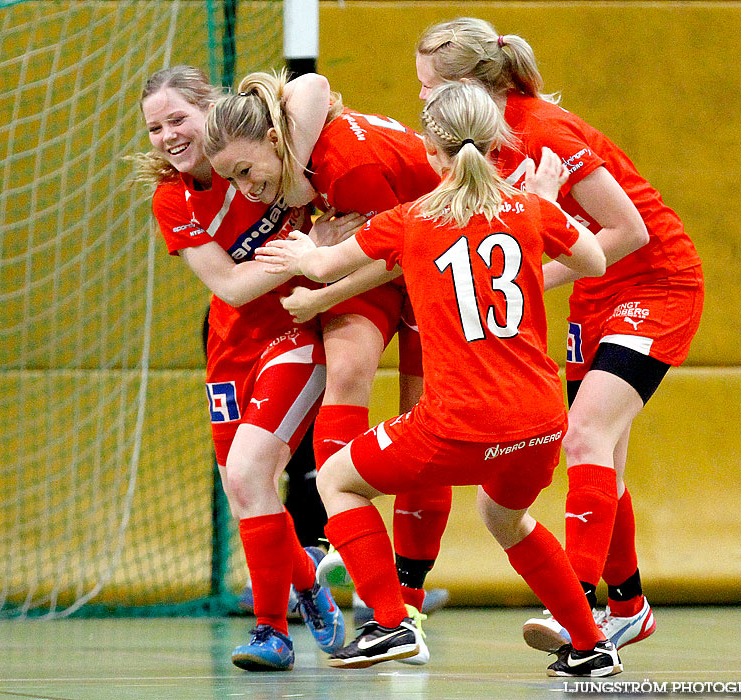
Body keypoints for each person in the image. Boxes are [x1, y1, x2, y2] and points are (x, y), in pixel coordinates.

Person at [255, 81, 622, 677]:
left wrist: (297, 249)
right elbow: (595, 261)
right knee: (505, 518)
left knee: (340, 481)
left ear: (431, 152)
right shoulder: (527, 209)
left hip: (461, 421)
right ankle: (590, 643)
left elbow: (322, 266)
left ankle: (391, 623)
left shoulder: (411, 219)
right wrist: (547, 202)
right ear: (498, 143)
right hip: (539, 420)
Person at [414, 18, 705, 652]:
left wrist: (518, 280)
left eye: (429, 88)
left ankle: (577, 608)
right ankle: (627, 606)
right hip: (593, 290)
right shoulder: (483, 143)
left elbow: (630, 231)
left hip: (655, 285)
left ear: (470, 84)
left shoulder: (541, 131)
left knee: (585, 436)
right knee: (606, 459)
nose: (424, 103)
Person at [201, 71, 452, 646]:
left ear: (273, 139)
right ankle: (348, 532)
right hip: (380, 253)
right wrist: (320, 255)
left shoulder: (344, 164)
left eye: (245, 171)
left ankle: (403, 604)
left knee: (426, 425)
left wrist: (321, 288)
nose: (242, 188)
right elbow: (309, 88)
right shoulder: (292, 151)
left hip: (431, 259)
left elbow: (396, 256)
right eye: (230, 178)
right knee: (346, 369)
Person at [131, 65, 348, 671]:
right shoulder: (172, 198)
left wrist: (325, 253)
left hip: (295, 331)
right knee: (241, 486)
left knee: (253, 469)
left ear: (212, 108)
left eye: (178, 118)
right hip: (230, 347)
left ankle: (270, 632)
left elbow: (315, 86)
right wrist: (312, 247)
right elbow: (229, 284)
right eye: (154, 127)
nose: (168, 135)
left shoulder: (266, 146)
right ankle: (306, 577)